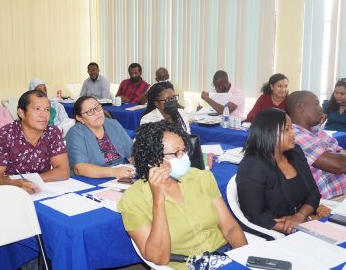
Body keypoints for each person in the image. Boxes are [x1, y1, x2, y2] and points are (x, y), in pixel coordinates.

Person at [117, 121, 247, 268]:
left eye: (184, 151)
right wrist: (158, 200)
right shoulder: (133, 200)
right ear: (153, 159)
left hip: (224, 256)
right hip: (185, 264)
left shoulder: (201, 177)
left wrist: (244, 260)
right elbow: (158, 258)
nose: (184, 157)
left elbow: (230, 228)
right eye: (177, 153)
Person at [237, 108, 321, 237]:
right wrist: (291, 228)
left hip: (305, 222)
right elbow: (254, 216)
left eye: (292, 128)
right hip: (274, 234)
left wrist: (300, 215)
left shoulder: (295, 153)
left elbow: (314, 194)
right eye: (287, 130)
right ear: (268, 133)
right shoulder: (253, 166)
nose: (293, 134)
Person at [287, 91, 346, 200]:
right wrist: (337, 155)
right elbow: (341, 165)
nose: (321, 109)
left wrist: (339, 157)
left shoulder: (317, 131)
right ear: (301, 107)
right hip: (332, 201)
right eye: (316, 104)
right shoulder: (296, 136)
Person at [0, 90, 70, 194]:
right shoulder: (3, 136)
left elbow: (63, 171)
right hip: (11, 192)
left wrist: (32, 182)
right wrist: (17, 184)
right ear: (21, 113)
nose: (44, 115)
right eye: (37, 109)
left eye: (47, 109)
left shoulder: (52, 132)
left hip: (43, 190)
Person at [66, 96, 134, 178]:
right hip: (91, 179)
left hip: (120, 175)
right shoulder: (75, 133)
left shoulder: (113, 124)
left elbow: (132, 154)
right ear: (79, 118)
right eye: (90, 111)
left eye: (97, 107)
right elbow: (79, 168)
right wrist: (114, 172)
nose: (97, 113)